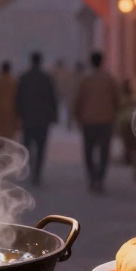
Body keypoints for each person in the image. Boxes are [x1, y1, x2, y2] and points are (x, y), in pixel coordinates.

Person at [73, 51, 122, 192]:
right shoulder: (109, 78)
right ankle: (100, 178)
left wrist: (77, 115)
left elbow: (78, 99)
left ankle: (92, 177)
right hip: (105, 120)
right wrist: (114, 112)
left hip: (88, 121)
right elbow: (117, 98)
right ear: (102, 62)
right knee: (104, 152)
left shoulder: (85, 79)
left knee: (88, 151)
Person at [16, 52, 59, 184]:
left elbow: (18, 99)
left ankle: (31, 168)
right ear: (40, 62)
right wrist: (54, 116)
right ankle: (37, 173)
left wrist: (18, 115)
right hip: (42, 119)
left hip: (28, 118)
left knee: (27, 146)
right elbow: (52, 98)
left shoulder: (24, 78)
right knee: (41, 147)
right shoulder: (47, 79)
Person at [51, 59, 77, 129]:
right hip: (64, 91)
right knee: (68, 108)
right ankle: (68, 122)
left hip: (59, 91)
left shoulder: (55, 71)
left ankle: (57, 120)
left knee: (59, 107)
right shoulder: (66, 72)